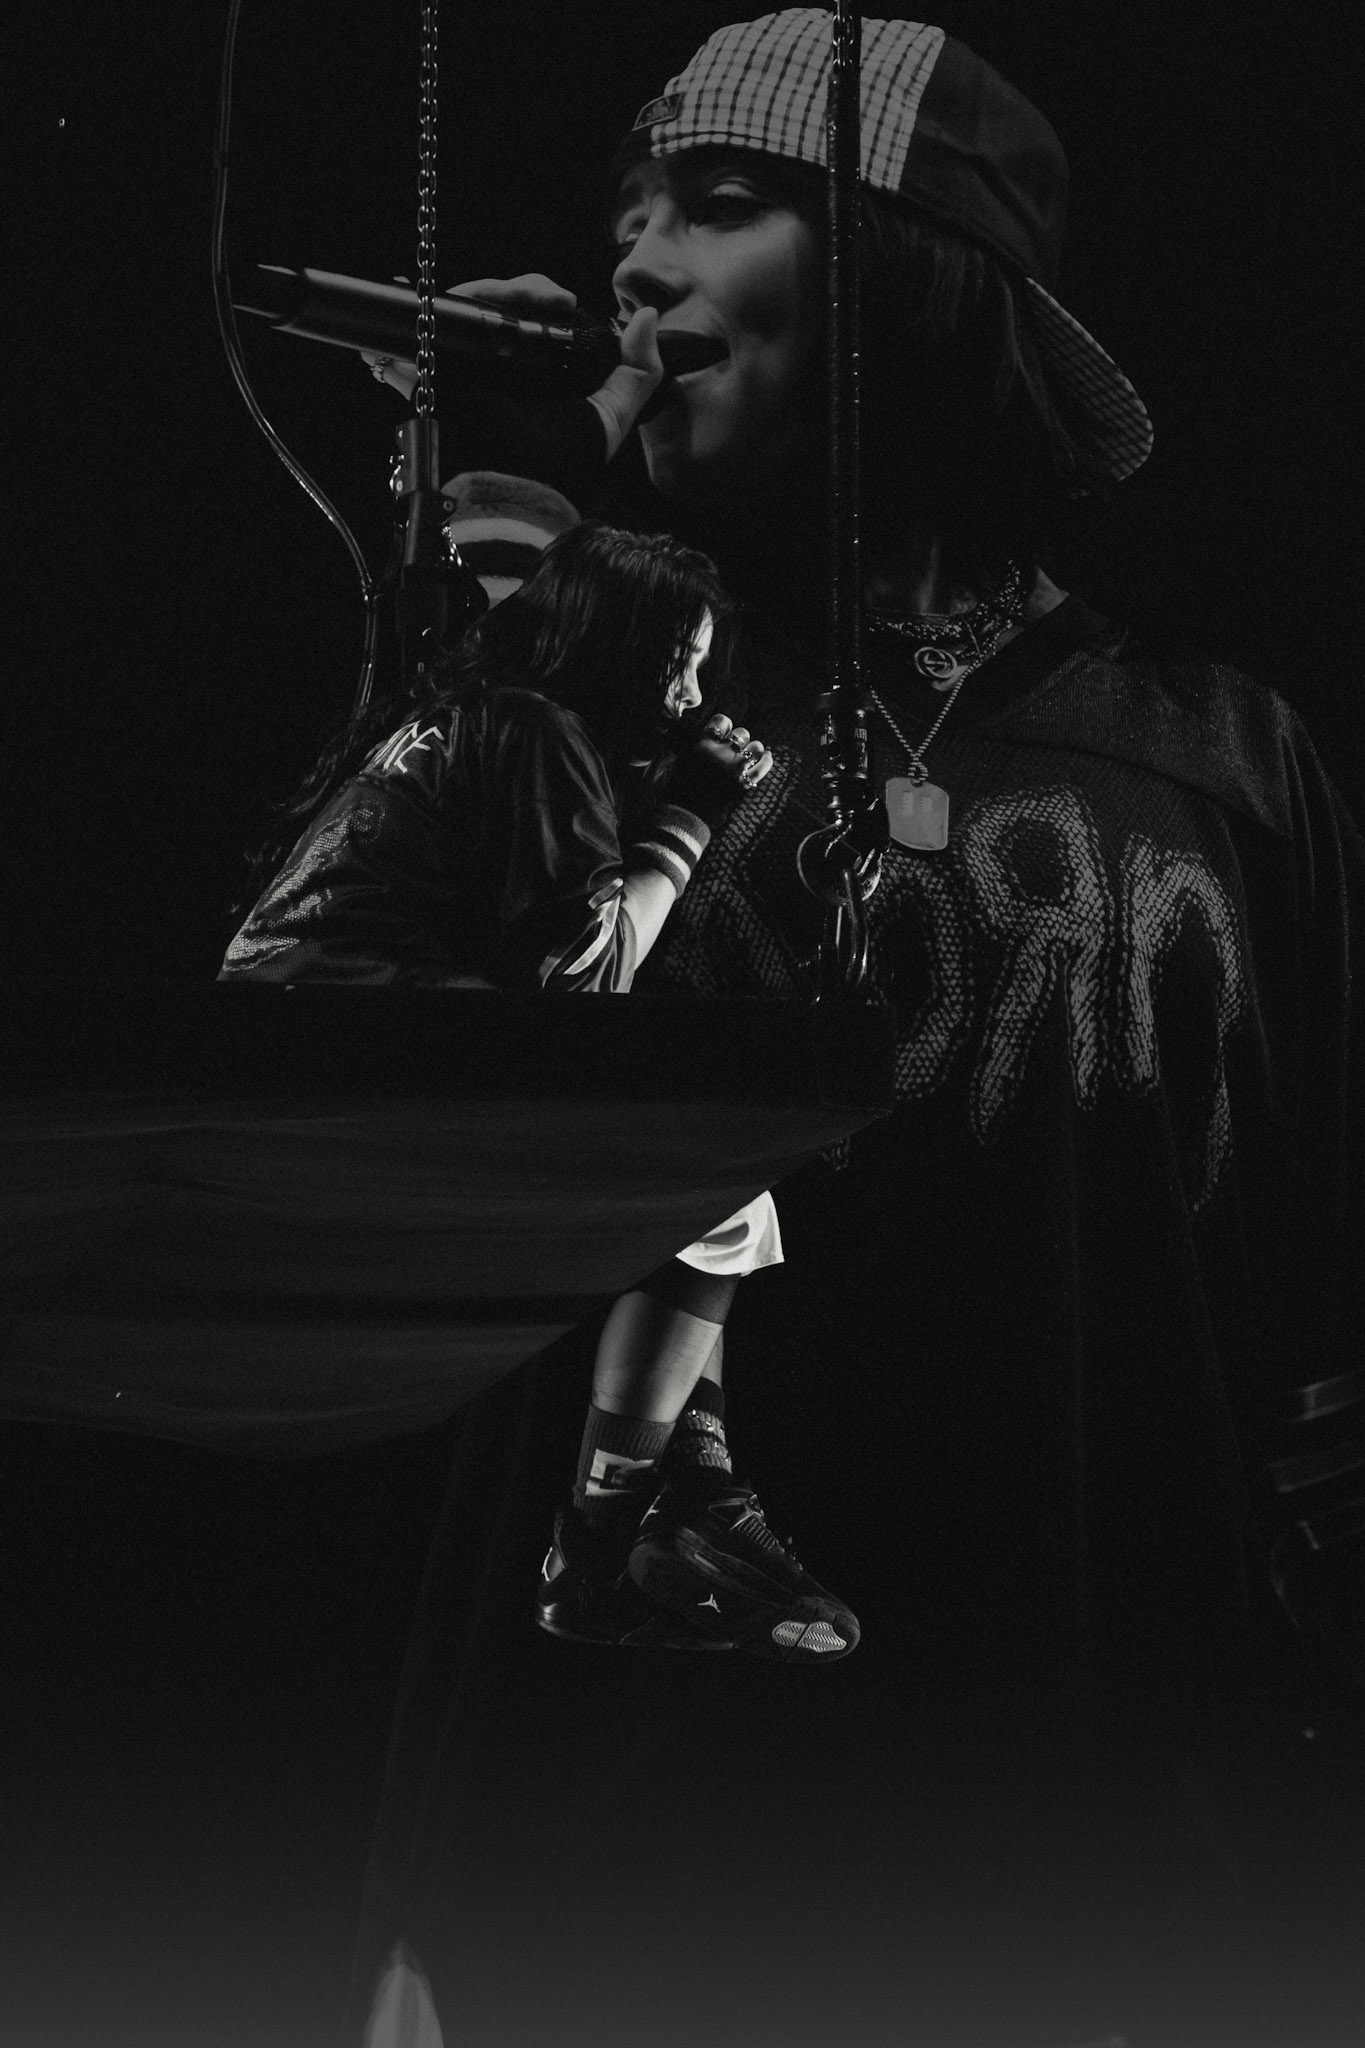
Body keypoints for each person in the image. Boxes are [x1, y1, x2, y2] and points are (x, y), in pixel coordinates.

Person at [342, 15, 1365, 2048]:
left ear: (916, 288)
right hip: (606, 1873)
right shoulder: (578, 693)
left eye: (718, 205)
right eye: (627, 215)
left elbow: (1315, 1352)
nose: (636, 263)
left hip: (1105, 1863)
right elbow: (351, 1109)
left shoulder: (1221, 765)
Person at [221, 518, 860, 1665]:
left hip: (321, 1062)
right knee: (715, 1183)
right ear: (609, 644)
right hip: (360, 1078)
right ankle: (609, 1539)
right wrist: (693, 809)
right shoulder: (536, 729)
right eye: (674, 661)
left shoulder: (474, 718)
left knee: (704, 1191)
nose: (689, 693)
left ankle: (688, 1493)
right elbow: (589, 985)